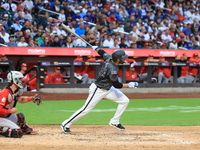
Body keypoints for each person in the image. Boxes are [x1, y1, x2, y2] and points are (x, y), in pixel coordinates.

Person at [61, 48, 138, 133]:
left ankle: (114, 121)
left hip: (108, 88)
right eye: (123, 58)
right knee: (86, 109)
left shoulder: (110, 57)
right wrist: (130, 85)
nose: (125, 59)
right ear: (118, 59)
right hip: (98, 89)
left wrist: (97, 48)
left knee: (124, 100)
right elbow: (117, 85)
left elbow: (102, 53)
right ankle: (66, 123)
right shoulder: (112, 69)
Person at [0, 71, 42, 138]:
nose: (21, 81)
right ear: (14, 80)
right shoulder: (4, 93)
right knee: (17, 132)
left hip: (5, 116)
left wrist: (32, 98)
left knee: (20, 116)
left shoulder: (15, 91)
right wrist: (10, 111)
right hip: (1, 117)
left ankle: (24, 129)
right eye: (19, 79)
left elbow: (21, 99)